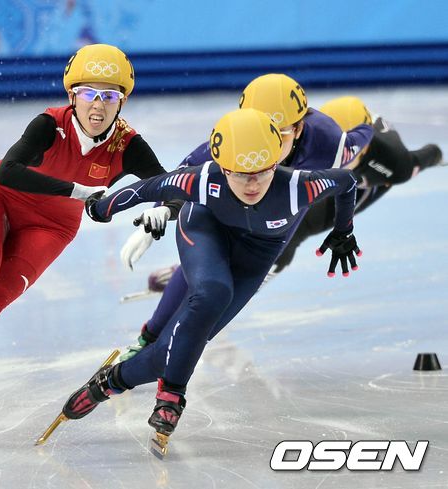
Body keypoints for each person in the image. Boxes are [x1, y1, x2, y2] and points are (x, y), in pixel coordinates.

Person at [0, 43, 170, 440]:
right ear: (72, 95)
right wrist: (78, 191)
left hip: (52, 226)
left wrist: (165, 209)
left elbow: (171, 185)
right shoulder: (49, 125)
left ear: (122, 101)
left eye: (110, 96)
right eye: (89, 93)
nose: (98, 105)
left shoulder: (128, 144)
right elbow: (8, 171)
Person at [59, 108, 361, 452]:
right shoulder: (204, 179)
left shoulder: (297, 187)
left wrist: (344, 231)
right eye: (241, 175)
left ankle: (110, 382)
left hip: (256, 255)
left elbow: (347, 182)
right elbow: (147, 188)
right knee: (214, 291)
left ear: (275, 163)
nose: (252, 184)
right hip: (206, 230)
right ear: (224, 168)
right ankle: (173, 395)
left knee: (179, 346)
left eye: (262, 172)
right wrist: (101, 208)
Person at [118, 74, 373, 361]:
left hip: (274, 223)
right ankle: (149, 338)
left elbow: (361, 137)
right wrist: (162, 210)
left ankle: (172, 345)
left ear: (299, 128)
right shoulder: (240, 135)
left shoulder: (331, 145)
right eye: (259, 127)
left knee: (223, 297)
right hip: (225, 204)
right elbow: (183, 175)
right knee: (201, 268)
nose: (268, 140)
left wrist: (373, 125)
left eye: (279, 132)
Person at [271, 95, 443, 273]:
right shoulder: (308, 141)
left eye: (342, 150)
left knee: (296, 227)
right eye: (330, 145)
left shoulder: (395, 163)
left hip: (363, 178)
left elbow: (424, 157)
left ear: (364, 146)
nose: (334, 154)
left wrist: (436, 155)